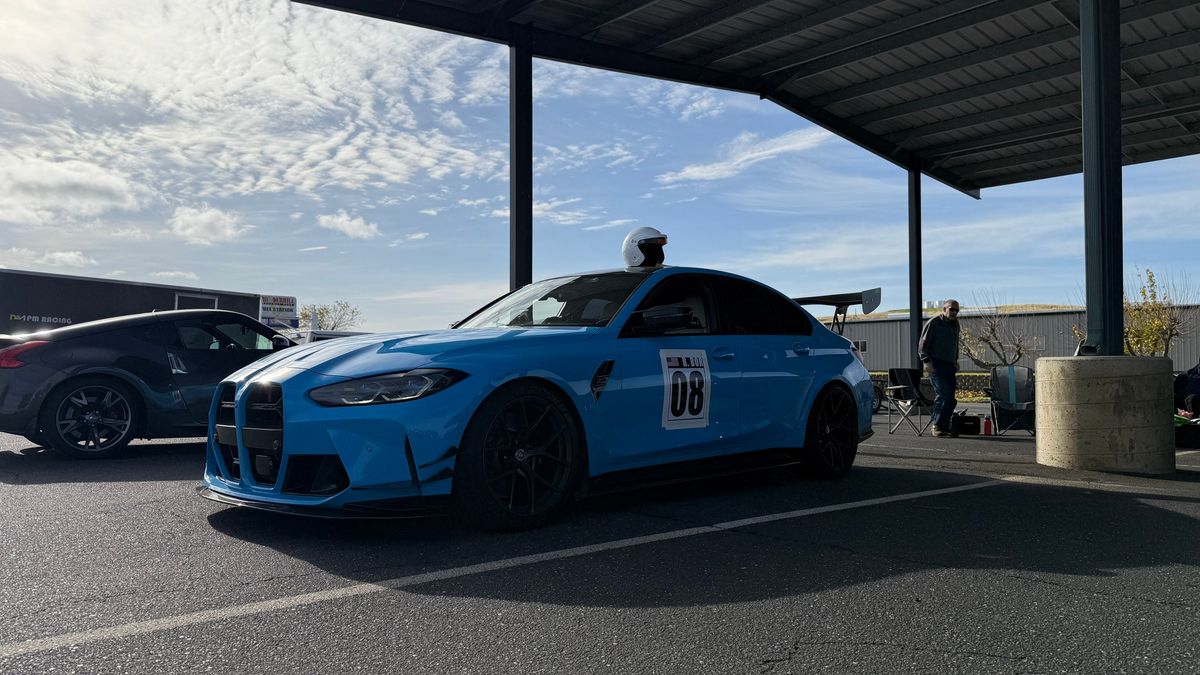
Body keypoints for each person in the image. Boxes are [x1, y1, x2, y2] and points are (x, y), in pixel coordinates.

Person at [918, 299, 962, 437]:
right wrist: (926, 361)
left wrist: (955, 360)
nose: (954, 312)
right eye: (951, 309)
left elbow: (955, 344)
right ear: (944, 309)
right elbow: (922, 345)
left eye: (956, 310)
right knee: (944, 395)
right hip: (936, 365)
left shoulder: (956, 324)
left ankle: (944, 426)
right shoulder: (934, 322)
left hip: (949, 366)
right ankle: (936, 426)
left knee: (951, 399)